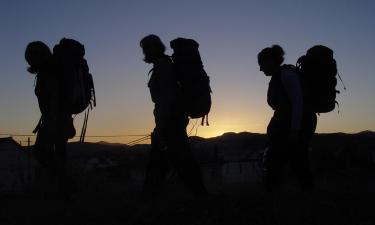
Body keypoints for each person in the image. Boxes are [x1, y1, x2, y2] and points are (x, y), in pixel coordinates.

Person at [140, 34, 207, 198]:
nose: (144, 53)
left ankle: (201, 196)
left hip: (171, 121)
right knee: (168, 159)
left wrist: (161, 126)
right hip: (172, 119)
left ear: (153, 48)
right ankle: (150, 196)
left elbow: (167, 98)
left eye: (146, 48)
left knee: (179, 160)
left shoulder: (163, 65)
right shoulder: (162, 65)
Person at [257, 45, 317, 191]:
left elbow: (298, 102)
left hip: (296, 126)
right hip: (290, 125)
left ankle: (272, 195)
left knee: (285, 161)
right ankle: (305, 193)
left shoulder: (286, 75)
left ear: (270, 61)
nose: (260, 69)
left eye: (262, 64)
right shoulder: (280, 76)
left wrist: (295, 129)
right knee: (295, 161)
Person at [25, 41, 75, 197]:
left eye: (32, 55)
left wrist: (50, 121)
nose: (31, 60)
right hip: (61, 117)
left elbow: (54, 96)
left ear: (40, 54)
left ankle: (66, 185)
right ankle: (65, 191)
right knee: (60, 153)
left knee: (41, 151)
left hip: (54, 118)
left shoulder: (49, 70)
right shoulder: (51, 69)